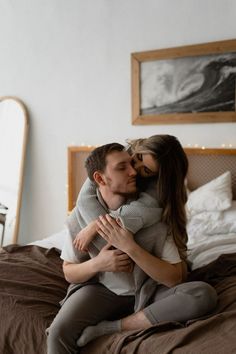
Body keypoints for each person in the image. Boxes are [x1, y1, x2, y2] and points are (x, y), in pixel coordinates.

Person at [47, 138, 217, 354]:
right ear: (100, 178)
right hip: (102, 290)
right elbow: (69, 272)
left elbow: (175, 277)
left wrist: (130, 247)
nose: (134, 171)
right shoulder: (79, 218)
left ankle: (113, 328)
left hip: (149, 289)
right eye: (128, 163)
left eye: (143, 168)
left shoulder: (154, 216)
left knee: (203, 294)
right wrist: (97, 263)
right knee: (58, 332)